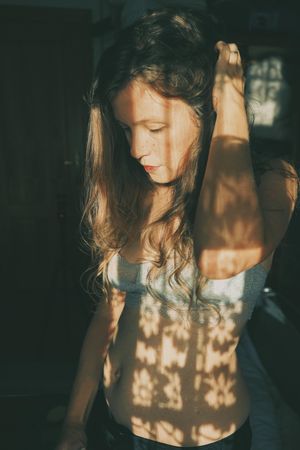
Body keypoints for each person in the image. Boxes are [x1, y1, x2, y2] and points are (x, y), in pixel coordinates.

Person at [55, 7, 298, 450]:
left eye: (154, 127)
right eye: (127, 128)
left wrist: (230, 103)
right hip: (114, 428)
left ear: (209, 111)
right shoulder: (139, 190)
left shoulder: (273, 183)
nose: (135, 148)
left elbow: (222, 255)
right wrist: (74, 421)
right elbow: (108, 316)